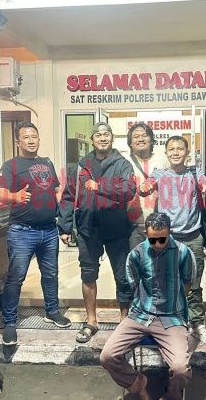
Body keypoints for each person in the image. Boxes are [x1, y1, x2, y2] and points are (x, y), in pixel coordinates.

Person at [100, 212, 195, 400]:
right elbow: (134, 284)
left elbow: (188, 282)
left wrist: (172, 301)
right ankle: (137, 383)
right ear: (146, 234)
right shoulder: (136, 254)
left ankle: (170, 393)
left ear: (170, 232)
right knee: (107, 356)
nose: (158, 244)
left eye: (162, 239)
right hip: (140, 314)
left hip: (171, 317)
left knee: (180, 370)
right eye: (153, 239)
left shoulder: (183, 252)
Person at [58, 122, 136, 343]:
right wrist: (65, 226)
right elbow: (68, 196)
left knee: (123, 276)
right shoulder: (82, 165)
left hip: (116, 229)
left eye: (106, 134)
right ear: (92, 140)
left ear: (112, 138)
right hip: (88, 230)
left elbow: (129, 190)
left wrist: (100, 187)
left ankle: (124, 321)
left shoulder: (122, 164)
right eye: (98, 135)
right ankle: (91, 320)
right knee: (88, 274)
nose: (103, 138)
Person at [0, 122, 71, 346]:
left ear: (39, 139)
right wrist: (15, 197)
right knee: (16, 277)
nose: (31, 140)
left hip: (49, 230)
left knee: (50, 274)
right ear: (18, 142)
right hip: (22, 231)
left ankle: (52, 311)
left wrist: (63, 222)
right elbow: (0, 193)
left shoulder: (47, 162)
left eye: (34, 136)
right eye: (26, 137)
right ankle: (10, 323)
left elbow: (56, 191)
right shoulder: (10, 165)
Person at [138, 135, 206, 345]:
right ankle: (168, 324)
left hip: (193, 237)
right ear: (166, 153)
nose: (175, 152)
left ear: (187, 152)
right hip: (166, 239)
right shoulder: (159, 174)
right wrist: (144, 187)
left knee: (194, 284)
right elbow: (146, 186)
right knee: (163, 283)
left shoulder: (195, 173)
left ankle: (197, 324)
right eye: (171, 149)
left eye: (180, 149)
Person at [124, 122, 163, 249]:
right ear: (130, 142)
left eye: (144, 135)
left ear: (151, 140)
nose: (140, 139)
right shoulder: (124, 161)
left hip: (159, 224)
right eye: (136, 136)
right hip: (132, 226)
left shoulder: (163, 160)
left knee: (159, 261)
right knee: (135, 260)